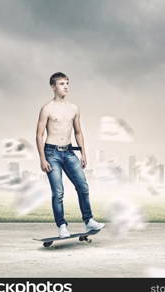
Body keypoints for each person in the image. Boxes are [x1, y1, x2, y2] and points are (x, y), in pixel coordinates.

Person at [36, 72, 105, 238]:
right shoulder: (47, 109)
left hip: (69, 152)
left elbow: (78, 132)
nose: (65, 86)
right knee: (58, 192)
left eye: (67, 83)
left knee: (83, 186)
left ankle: (88, 220)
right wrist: (42, 159)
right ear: (53, 86)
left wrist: (83, 153)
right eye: (61, 83)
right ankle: (62, 226)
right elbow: (39, 135)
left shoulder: (74, 108)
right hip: (51, 153)